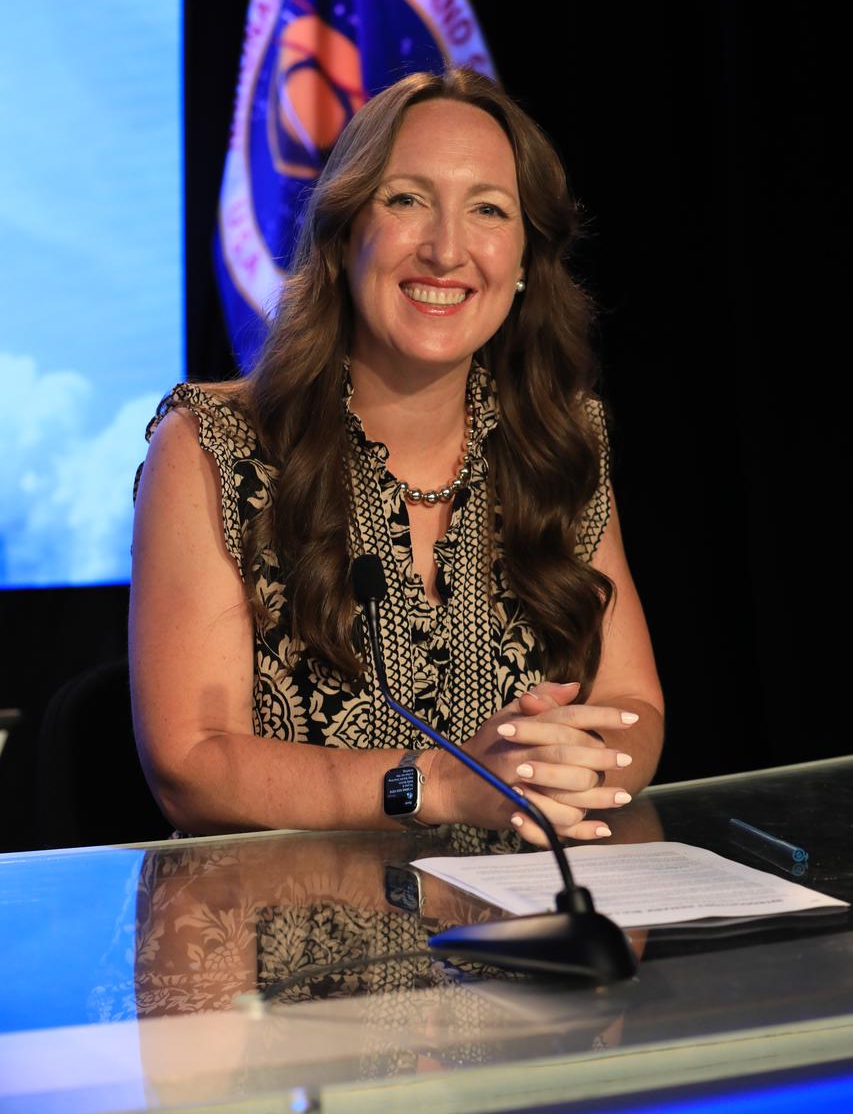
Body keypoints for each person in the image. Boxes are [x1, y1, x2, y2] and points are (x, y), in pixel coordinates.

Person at [130, 68, 664, 846]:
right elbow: (191, 763)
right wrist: (439, 784)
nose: (447, 250)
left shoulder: (561, 439)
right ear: (346, 235)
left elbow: (633, 705)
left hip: (524, 924)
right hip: (291, 940)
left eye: (488, 210)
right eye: (406, 199)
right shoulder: (213, 444)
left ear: (521, 263)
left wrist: (564, 771)